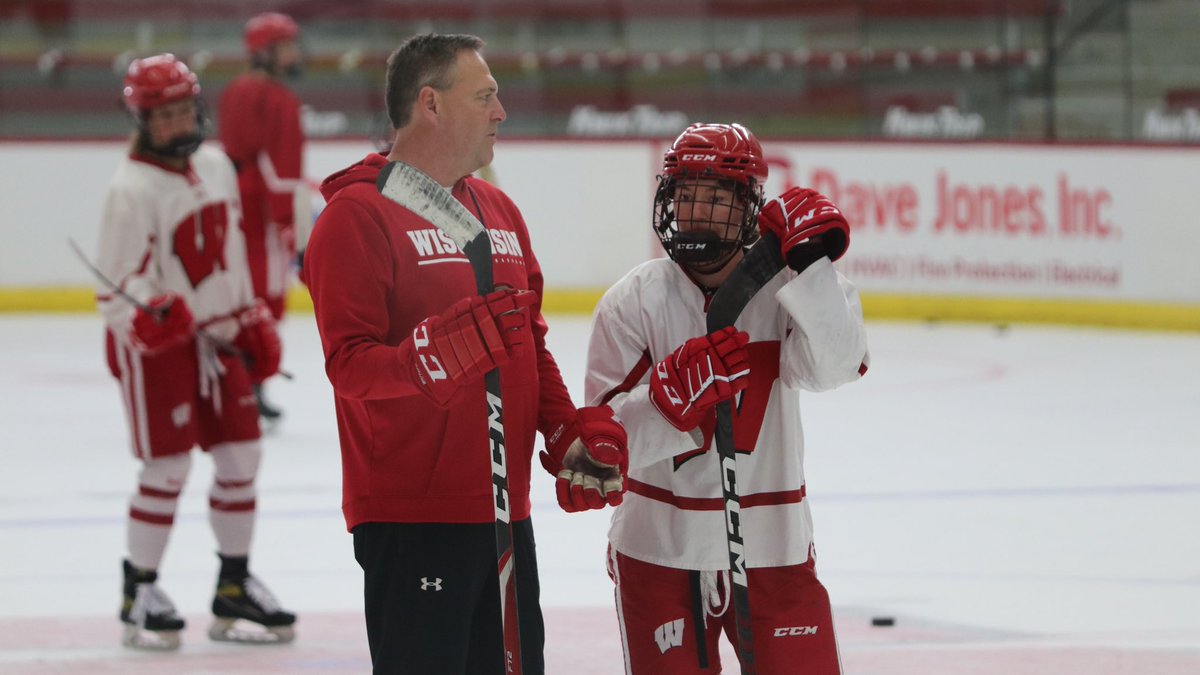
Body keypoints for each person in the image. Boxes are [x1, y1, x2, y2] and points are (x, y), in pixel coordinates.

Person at [301, 33, 629, 674]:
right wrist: (425, 358)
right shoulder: (356, 216)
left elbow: (527, 341)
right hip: (414, 518)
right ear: (431, 104)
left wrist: (564, 433)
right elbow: (348, 366)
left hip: (508, 513)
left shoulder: (499, 211)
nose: (500, 113)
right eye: (485, 97)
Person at [584, 123, 870, 674]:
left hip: (773, 550)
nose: (698, 210)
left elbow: (836, 366)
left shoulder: (788, 287)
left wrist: (811, 266)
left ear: (748, 206)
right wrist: (666, 408)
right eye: (687, 194)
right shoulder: (632, 304)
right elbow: (600, 449)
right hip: (659, 553)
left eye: (716, 196)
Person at [95, 53, 295, 650]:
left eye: (184, 109)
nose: (177, 123)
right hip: (157, 351)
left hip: (219, 337)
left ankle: (232, 584)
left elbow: (231, 256)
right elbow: (115, 290)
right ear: (141, 119)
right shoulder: (129, 190)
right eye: (164, 115)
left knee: (241, 456)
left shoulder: (215, 165)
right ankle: (140, 589)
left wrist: (250, 314)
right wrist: (150, 317)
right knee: (168, 467)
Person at [218, 11, 305, 423]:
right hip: (263, 216)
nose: (292, 53)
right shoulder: (279, 100)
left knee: (240, 294)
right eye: (285, 45)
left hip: (235, 209)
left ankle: (237, 383)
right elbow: (281, 172)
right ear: (264, 52)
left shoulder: (235, 90)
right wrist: (291, 227)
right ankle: (250, 387)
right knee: (266, 299)